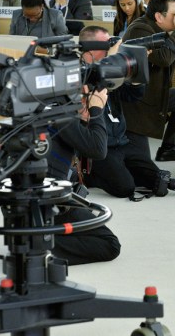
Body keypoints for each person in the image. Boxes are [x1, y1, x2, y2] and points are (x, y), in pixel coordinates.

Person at [77, 26, 175, 200]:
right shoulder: (78, 73)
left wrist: (137, 66)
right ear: (89, 49)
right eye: (106, 46)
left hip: (121, 140)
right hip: (99, 145)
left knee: (156, 176)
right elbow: (92, 85)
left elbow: (133, 95)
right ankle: (91, 176)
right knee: (125, 188)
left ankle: (122, 170)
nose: (111, 49)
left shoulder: (111, 69)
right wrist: (112, 60)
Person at [46, 72, 121, 265]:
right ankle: (43, 248)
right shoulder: (64, 118)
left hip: (26, 205)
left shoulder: (49, 109)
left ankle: (40, 239)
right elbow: (98, 149)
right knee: (109, 245)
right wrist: (97, 111)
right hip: (48, 207)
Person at [121, 0, 175, 161]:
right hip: (138, 104)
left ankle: (169, 148)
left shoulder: (164, 30)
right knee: (141, 167)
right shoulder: (140, 30)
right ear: (159, 16)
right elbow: (164, 59)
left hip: (157, 95)